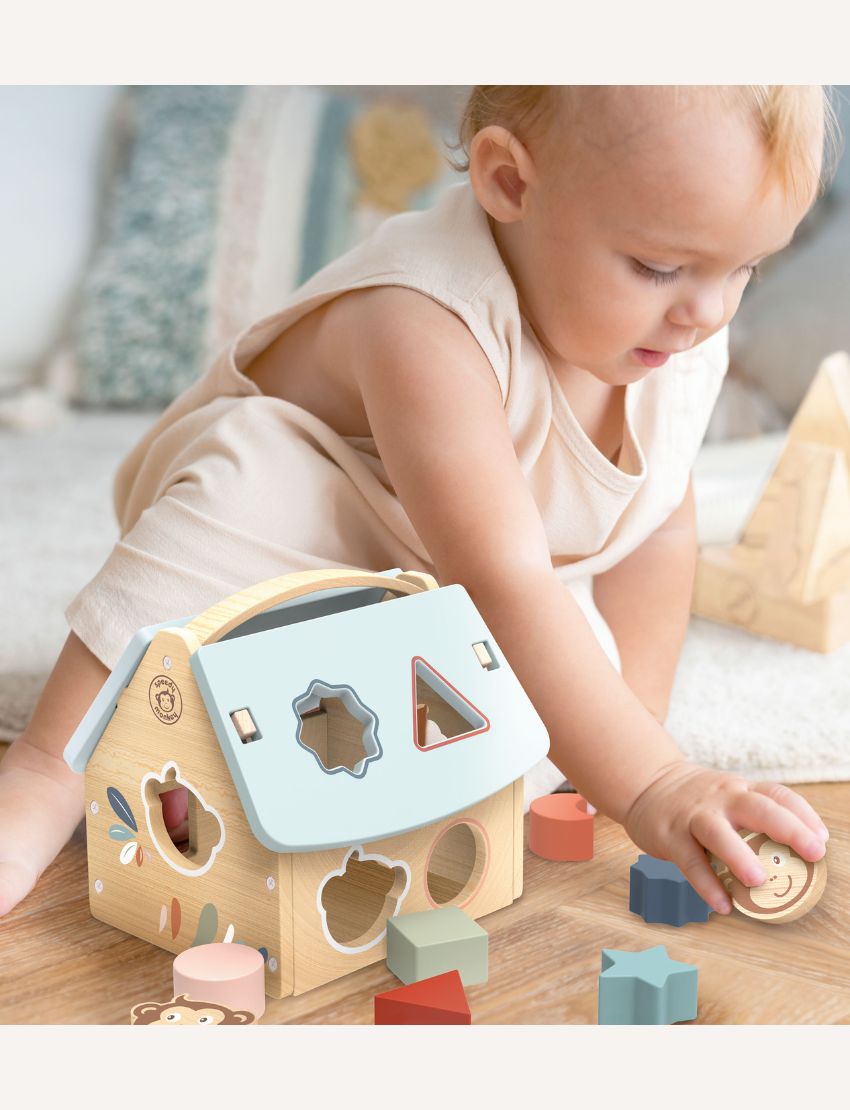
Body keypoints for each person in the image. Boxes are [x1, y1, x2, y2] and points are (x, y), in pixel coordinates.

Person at [1, 85, 838, 919]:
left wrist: (638, 749)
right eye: (659, 266)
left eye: (747, 268)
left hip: (445, 561)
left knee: (571, 674)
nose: (707, 312)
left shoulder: (679, 328)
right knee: (254, 482)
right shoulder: (424, 317)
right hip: (304, 520)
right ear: (509, 183)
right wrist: (656, 784)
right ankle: (47, 770)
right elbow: (501, 578)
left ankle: (262, 759)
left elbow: (659, 527)